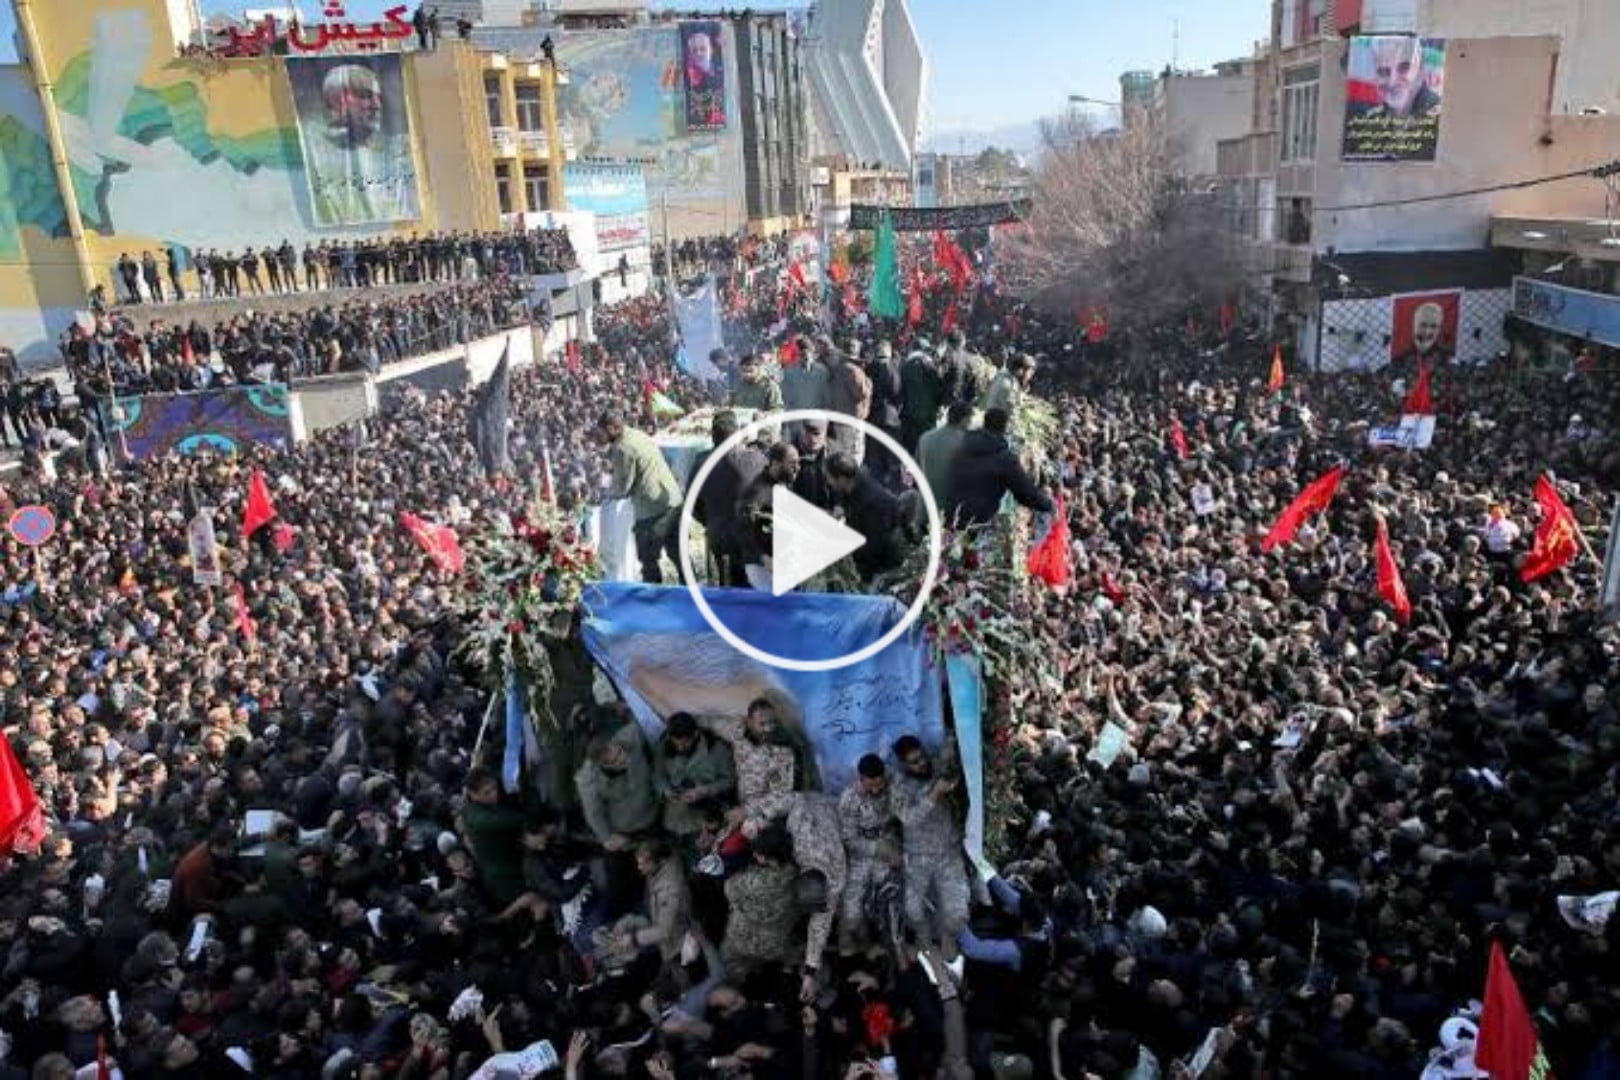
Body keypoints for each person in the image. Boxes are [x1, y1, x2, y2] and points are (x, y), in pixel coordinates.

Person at [303, 64, 418, 225]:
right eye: (366, 96)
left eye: (378, 97)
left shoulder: (399, 149)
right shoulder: (313, 150)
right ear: (337, 100)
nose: (377, 105)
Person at [889, 735, 968, 962]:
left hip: (948, 852)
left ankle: (947, 936)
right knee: (913, 911)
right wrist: (935, 794)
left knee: (957, 913)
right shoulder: (898, 786)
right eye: (914, 761)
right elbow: (908, 819)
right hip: (918, 856)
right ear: (904, 764)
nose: (921, 763)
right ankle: (925, 940)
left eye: (921, 757)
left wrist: (951, 745)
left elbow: (949, 759)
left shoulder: (935, 767)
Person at [575, 718, 660, 913]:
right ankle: (622, 916)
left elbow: (646, 717)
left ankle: (646, 910)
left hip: (651, 816)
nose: (622, 760)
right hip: (623, 832)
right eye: (614, 762)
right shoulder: (589, 778)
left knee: (650, 870)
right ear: (601, 764)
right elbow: (594, 813)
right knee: (621, 881)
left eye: (619, 754)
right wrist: (607, 838)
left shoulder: (630, 736)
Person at [596, 410, 684, 585]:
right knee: (678, 555)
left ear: (612, 429)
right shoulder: (637, 434)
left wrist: (605, 493)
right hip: (672, 498)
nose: (599, 436)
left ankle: (653, 598)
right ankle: (691, 590)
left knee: (648, 558)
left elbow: (623, 487)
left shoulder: (622, 448)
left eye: (601, 432)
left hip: (652, 509)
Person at [945, 406, 1053, 526]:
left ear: (985, 422)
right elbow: (1024, 491)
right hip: (977, 520)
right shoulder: (1004, 458)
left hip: (947, 511)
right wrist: (1047, 504)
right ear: (1004, 427)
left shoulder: (961, 443)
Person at [695, 409, 767, 587]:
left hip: (718, 535)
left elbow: (692, 503)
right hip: (749, 537)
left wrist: (709, 520)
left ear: (713, 435)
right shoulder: (755, 459)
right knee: (752, 588)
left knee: (726, 588)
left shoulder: (700, 462)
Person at [720, 823, 798, 979]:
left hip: (743, 939)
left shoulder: (753, 881)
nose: (755, 855)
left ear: (768, 856)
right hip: (777, 942)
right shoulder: (794, 875)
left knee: (728, 965)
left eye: (759, 853)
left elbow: (728, 888)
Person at [837, 754, 899, 954]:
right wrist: (877, 849)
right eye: (871, 785)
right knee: (852, 914)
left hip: (891, 844)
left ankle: (893, 945)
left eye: (880, 784)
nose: (877, 790)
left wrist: (892, 849)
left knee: (895, 899)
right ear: (861, 778)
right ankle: (863, 951)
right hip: (861, 855)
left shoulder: (892, 782)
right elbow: (849, 839)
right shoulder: (849, 799)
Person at [652, 711, 736, 842]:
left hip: (703, 821)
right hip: (673, 820)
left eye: (685, 743)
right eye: (676, 743)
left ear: (695, 734)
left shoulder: (716, 748)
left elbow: (730, 780)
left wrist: (705, 790)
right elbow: (658, 776)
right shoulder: (663, 746)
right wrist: (666, 791)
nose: (680, 748)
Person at [825, 451, 904, 582]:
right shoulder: (851, 488)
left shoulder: (872, 502)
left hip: (880, 569)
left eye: (830, 478)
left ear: (842, 478)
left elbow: (874, 547)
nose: (828, 482)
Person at [460, 765, 528, 909]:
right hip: (506, 879)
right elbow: (513, 820)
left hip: (511, 864)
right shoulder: (479, 818)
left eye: (494, 788)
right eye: (487, 792)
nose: (494, 794)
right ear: (473, 794)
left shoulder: (475, 807)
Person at [1352, 35, 1441, 119]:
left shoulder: (1439, 109)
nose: (1392, 81)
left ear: (1421, 70)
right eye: (1383, 71)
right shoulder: (1364, 114)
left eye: (1404, 68)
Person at [916, 402, 973, 511]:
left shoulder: (925, 437)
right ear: (964, 419)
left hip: (923, 504)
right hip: (949, 509)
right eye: (969, 419)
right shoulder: (966, 442)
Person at [825, 338, 872, 463]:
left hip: (839, 417)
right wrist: (868, 383)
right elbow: (861, 394)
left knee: (841, 452)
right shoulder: (854, 371)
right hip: (852, 418)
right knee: (854, 453)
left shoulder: (836, 368)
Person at [1393, 302, 1454, 369]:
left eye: (1434, 326)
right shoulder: (1399, 359)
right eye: (1423, 325)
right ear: (1413, 325)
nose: (1427, 332)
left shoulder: (1447, 358)